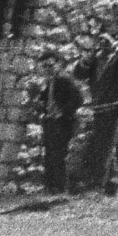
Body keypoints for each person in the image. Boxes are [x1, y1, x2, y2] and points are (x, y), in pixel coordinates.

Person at [72, 34, 118, 192]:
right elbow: (78, 74)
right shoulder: (95, 58)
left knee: (108, 142)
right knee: (104, 142)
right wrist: (85, 60)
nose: (103, 43)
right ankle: (111, 181)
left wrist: (116, 44)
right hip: (100, 106)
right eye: (100, 40)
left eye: (106, 40)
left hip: (117, 105)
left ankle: (99, 183)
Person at [40, 62, 83, 193]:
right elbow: (45, 101)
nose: (48, 69)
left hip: (63, 122)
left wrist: (63, 112)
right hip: (50, 122)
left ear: (58, 65)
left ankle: (60, 187)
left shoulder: (65, 81)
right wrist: (44, 111)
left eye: (51, 65)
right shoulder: (49, 82)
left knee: (59, 153)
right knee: (50, 154)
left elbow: (78, 99)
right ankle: (51, 186)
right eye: (45, 66)